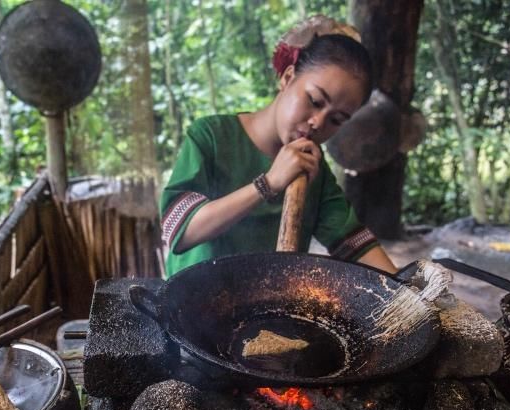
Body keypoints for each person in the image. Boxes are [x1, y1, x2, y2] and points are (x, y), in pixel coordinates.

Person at [159, 16, 398, 277]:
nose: (318, 122)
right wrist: (269, 184)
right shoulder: (212, 137)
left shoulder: (314, 169)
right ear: (287, 78)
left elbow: (354, 244)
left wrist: (409, 293)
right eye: (315, 101)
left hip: (271, 312)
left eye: (337, 120)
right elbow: (178, 231)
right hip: (194, 308)